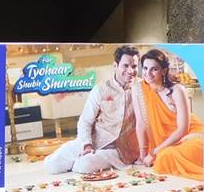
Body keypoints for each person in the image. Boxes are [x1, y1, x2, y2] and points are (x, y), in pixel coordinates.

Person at [41, 46, 141, 175]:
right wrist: (87, 145)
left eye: (134, 66)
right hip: (96, 139)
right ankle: (82, 156)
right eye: (126, 66)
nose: (130, 71)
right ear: (115, 65)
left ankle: (85, 160)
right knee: (51, 165)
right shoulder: (101, 88)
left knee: (83, 167)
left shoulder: (141, 88)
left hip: (119, 148)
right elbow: (85, 121)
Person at [133, 48, 204, 179]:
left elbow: (183, 129)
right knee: (165, 157)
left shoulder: (177, 90)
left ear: (164, 71)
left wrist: (154, 152)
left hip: (189, 136)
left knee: (168, 155)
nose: (148, 73)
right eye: (145, 68)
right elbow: (141, 123)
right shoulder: (139, 89)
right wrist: (144, 153)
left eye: (154, 69)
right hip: (164, 142)